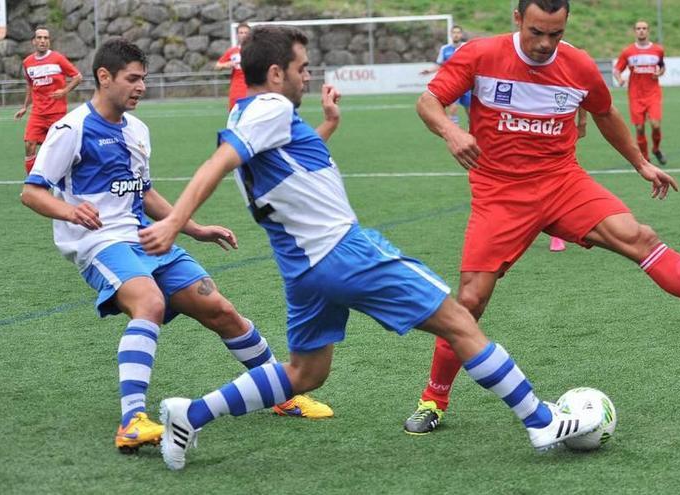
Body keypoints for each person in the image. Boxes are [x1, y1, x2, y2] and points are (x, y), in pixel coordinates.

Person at [137, 25, 602, 471]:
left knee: (305, 372)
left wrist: (329, 126)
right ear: (276, 74)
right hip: (343, 252)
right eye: (302, 67)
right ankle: (542, 422)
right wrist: (177, 221)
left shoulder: (245, 112)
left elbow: (284, 164)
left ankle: (190, 415)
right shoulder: (272, 107)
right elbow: (221, 161)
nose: (308, 76)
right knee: (460, 321)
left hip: (302, 267)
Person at [402, 0, 680, 435]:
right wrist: (451, 130)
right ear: (518, 19)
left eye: (555, 34)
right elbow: (428, 101)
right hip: (500, 195)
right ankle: (434, 398)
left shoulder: (577, 65)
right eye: (536, 32)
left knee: (640, 237)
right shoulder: (481, 55)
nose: (545, 44)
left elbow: (605, 113)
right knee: (469, 302)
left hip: (563, 183)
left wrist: (640, 164)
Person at [19, 38, 332, 455]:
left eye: (144, 79)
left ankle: (283, 395)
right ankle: (132, 420)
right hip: (99, 243)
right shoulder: (70, 130)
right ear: (104, 77)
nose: (141, 87)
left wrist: (192, 226)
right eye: (132, 79)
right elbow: (31, 192)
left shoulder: (138, 129)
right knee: (148, 301)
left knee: (221, 310)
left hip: (145, 236)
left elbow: (143, 190)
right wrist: (70, 212)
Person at [14, 27, 82, 174]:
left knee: (60, 150)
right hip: (37, 114)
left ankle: (65, 183)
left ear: (49, 41)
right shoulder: (27, 63)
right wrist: (25, 107)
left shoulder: (58, 59)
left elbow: (78, 77)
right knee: (29, 145)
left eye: (46, 38)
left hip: (57, 114)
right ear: (33, 41)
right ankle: (33, 186)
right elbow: (30, 85)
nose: (43, 41)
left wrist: (64, 91)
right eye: (39, 38)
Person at [614, 20, 667, 165]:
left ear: (648, 31)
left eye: (644, 28)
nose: (641, 31)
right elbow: (617, 69)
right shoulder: (628, 52)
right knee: (639, 128)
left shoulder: (658, 50)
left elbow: (662, 66)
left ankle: (656, 149)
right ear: (635, 31)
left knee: (655, 125)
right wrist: (619, 79)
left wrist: (659, 73)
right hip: (635, 95)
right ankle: (646, 158)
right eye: (638, 28)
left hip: (653, 94)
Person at [549, 107, 586, 252]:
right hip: (528, 127)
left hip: (561, 128)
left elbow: (583, 88)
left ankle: (557, 233)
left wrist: (582, 122)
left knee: (559, 176)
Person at [421, 25, 471, 126]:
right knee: (453, 107)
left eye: (458, 33)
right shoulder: (445, 49)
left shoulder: (468, 47)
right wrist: (429, 71)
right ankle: (454, 131)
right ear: (451, 35)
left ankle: (474, 131)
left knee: (470, 110)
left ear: (461, 34)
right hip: (452, 83)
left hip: (467, 83)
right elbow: (440, 64)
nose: (456, 35)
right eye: (454, 33)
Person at [215, 22, 251, 111]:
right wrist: (227, 64)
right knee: (235, 117)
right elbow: (217, 66)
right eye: (241, 33)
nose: (243, 35)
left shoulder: (255, 50)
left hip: (252, 88)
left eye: (246, 33)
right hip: (237, 89)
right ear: (237, 35)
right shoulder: (233, 51)